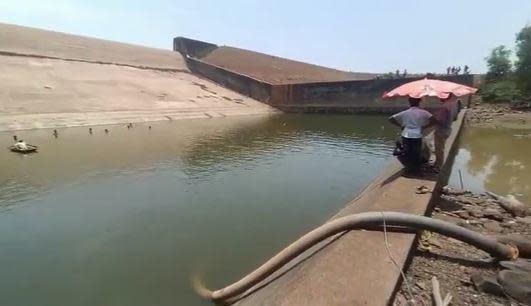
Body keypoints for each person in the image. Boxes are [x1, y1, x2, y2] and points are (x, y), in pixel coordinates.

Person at [389, 98, 437, 173]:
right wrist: (424, 127)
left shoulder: (405, 112)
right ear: (419, 102)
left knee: (407, 152)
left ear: (409, 103)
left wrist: (401, 126)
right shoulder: (423, 112)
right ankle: (416, 169)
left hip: (406, 134)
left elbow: (391, 119)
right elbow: (434, 120)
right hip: (417, 134)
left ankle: (409, 168)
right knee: (416, 153)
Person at [433, 95, 457, 169]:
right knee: (441, 147)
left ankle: (438, 166)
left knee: (439, 149)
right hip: (448, 129)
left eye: (440, 95)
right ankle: (438, 163)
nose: (439, 97)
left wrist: (435, 117)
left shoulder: (444, 107)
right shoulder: (453, 105)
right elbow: (455, 118)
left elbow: (440, 120)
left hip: (441, 131)